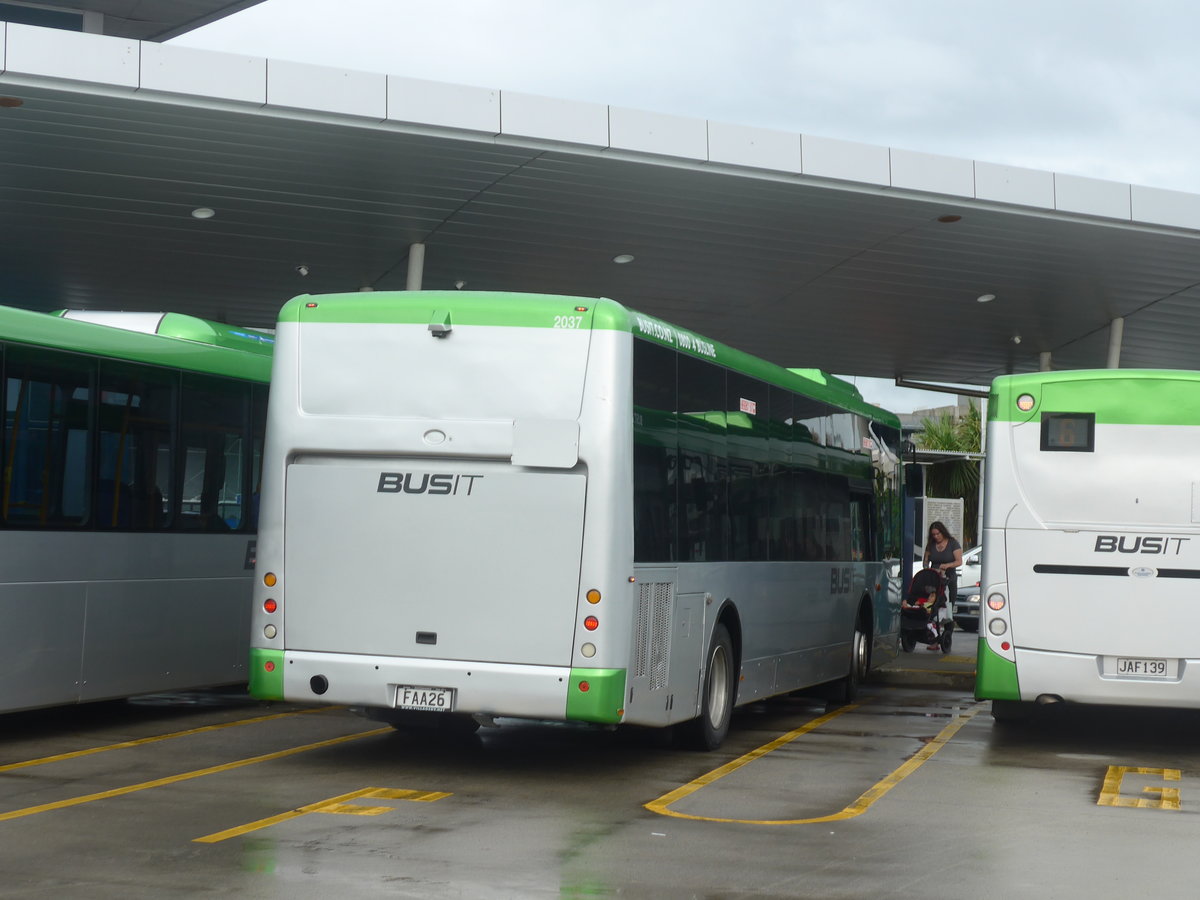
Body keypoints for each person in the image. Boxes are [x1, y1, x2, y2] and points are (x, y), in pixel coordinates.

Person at [923, 520, 963, 604]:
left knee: (949, 601)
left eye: (938, 534)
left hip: (949, 577)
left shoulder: (953, 543)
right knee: (933, 601)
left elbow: (959, 561)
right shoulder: (931, 544)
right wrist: (927, 569)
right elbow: (925, 561)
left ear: (943, 532)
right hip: (934, 577)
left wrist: (947, 565)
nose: (936, 536)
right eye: (933, 535)